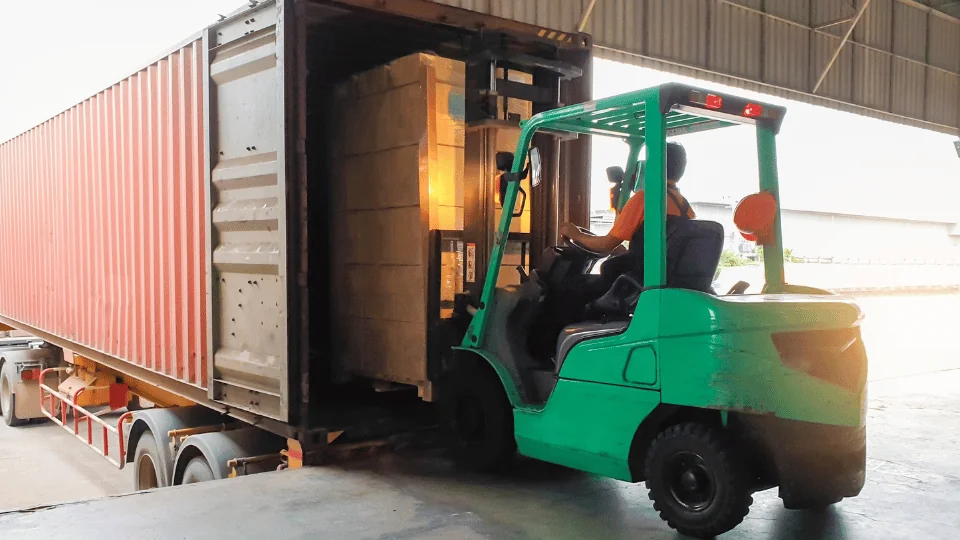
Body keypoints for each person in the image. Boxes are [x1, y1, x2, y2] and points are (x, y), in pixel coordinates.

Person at [559, 142, 695, 255]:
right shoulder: (686, 208)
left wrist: (576, 235)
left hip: (641, 280)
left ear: (653, 166)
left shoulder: (645, 198)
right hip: (666, 278)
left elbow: (605, 245)